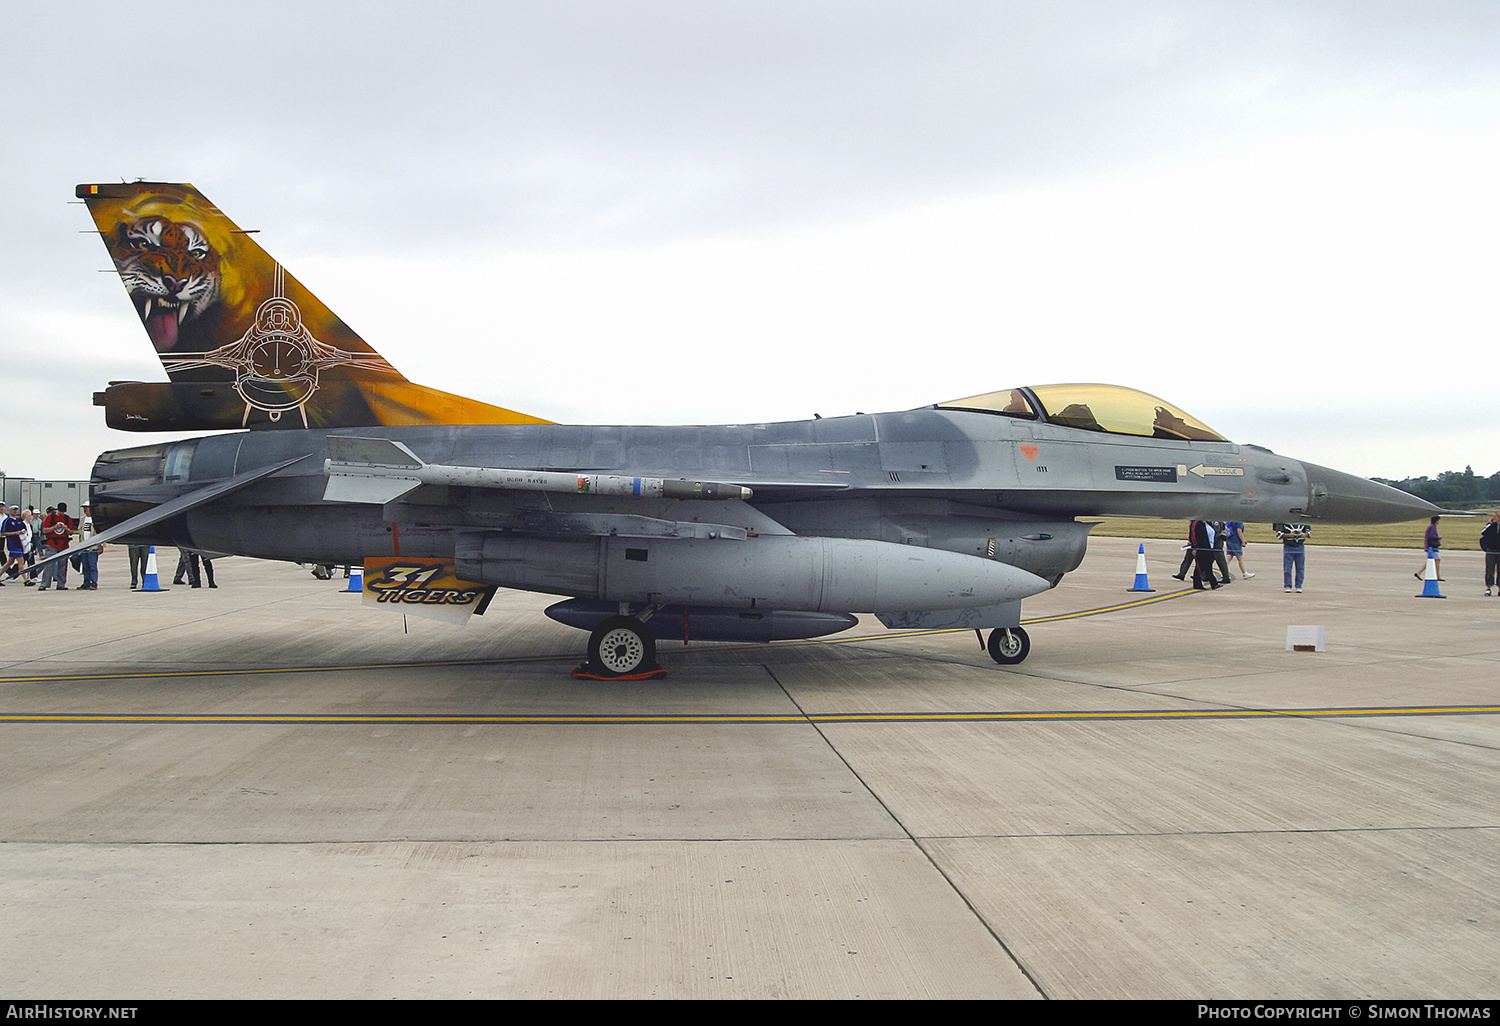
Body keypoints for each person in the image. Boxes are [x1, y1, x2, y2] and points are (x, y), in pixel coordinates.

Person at [37, 503, 75, 590]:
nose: (62, 513)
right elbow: (45, 530)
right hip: (52, 544)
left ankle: (61, 584)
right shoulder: (50, 518)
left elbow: (71, 532)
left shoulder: (67, 519)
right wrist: (54, 527)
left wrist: (67, 529)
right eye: (60, 511)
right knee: (49, 565)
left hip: (64, 545)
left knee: (63, 566)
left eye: (63, 512)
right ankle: (44, 584)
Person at [1275, 522, 1311, 593]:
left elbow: (1309, 532)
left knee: (1300, 568)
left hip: (1300, 547)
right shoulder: (1283, 523)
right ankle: (1287, 585)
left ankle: (1299, 585)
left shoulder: (1303, 522)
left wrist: (1303, 534)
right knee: (1287, 568)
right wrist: (1290, 535)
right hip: (1288, 547)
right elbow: (1279, 534)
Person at [1188, 520, 1221, 590]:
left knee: (1204, 566)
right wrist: (1195, 547)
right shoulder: (1196, 524)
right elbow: (1193, 537)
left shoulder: (1207, 523)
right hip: (1200, 548)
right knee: (1202, 567)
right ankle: (1213, 583)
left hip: (1209, 548)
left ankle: (1199, 584)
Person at [75, 504, 101, 590]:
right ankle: (86, 582)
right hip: (84, 547)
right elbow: (80, 533)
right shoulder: (83, 519)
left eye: (86, 508)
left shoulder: (96, 519)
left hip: (93, 547)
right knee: (85, 566)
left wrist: (101, 545)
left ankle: (94, 582)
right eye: (84, 508)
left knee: (92, 566)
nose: (85, 510)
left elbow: (100, 533)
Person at [0, 506, 28, 584]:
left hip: (20, 543)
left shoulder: (19, 521)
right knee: (21, 561)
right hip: (12, 543)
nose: (15, 511)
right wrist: (15, 533)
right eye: (13, 510)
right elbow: (3, 533)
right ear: (10, 511)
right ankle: (26, 579)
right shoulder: (7, 521)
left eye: (16, 510)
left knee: (10, 562)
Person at [1415, 515, 1442, 582]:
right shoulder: (1433, 527)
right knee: (1437, 560)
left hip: (1430, 546)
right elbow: (1432, 536)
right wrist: (1438, 537)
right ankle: (1437, 575)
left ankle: (1419, 572)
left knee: (1431, 561)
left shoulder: (1431, 526)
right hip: (1432, 547)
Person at [1482, 511, 1500, 597]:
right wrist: (1490, 523)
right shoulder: (1491, 526)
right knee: (1489, 570)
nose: (1493, 518)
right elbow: (1483, 532)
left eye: (1495, 516)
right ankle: (1488, 588)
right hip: (1491, 551)